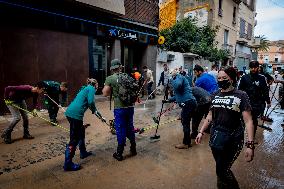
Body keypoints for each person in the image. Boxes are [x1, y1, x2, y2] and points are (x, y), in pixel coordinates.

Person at [195, 67, 255, 189]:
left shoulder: (241, 95)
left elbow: (248, 121)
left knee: (222, 169)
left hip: (233, 140)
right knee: (220, 167)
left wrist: (250, 145)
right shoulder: (215, 94)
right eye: (219, 78)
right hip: (216, 138)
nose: (221, 80)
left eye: (224, 78)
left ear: (231, 79)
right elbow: (210, 115)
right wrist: (201, 131)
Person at [63, 78, 104, 171]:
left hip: (70, 113)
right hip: (76, 115)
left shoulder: (84, 88)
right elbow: (90, 102)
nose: (97, 87)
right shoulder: (91, 88)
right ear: (95, 84)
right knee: (74, 139)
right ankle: (68, 163)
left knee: (81, 131)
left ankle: (83, 152)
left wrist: (99, 115)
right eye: (97, 85)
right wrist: (96, 113)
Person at [102, 59, 137, 161]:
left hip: (120, 108)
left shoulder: (110, 78)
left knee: (120, 129)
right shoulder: (127, 76)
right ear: (120, 67)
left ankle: (119, 153)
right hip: (130, 107)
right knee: (130, 127)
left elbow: (105, 93)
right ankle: (133, 148)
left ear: (112, 69)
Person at [163, 69, 197, 149]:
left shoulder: (179, 77)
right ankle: (189, 140)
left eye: (171, 74)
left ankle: (186, 143)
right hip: (189, 103)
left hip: (188, 103)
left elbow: (177, 85)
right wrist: (168, 100)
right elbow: (177, 96)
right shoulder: (179, 79)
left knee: (185, 123)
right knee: (186, 121)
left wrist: (171, 80)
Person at [238, 60, 271, 136]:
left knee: (254, 120)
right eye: (251, 67)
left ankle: (252, 137)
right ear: (249, 68)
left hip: (257, 103)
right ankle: (242, 136)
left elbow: (265, 90)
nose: (253, 69)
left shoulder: (262, 78)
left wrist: (268, 101)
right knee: (243, 120)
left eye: (255, 67)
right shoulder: (244, 78)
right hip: (246, 103)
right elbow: (239, 90)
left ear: (258, 68)